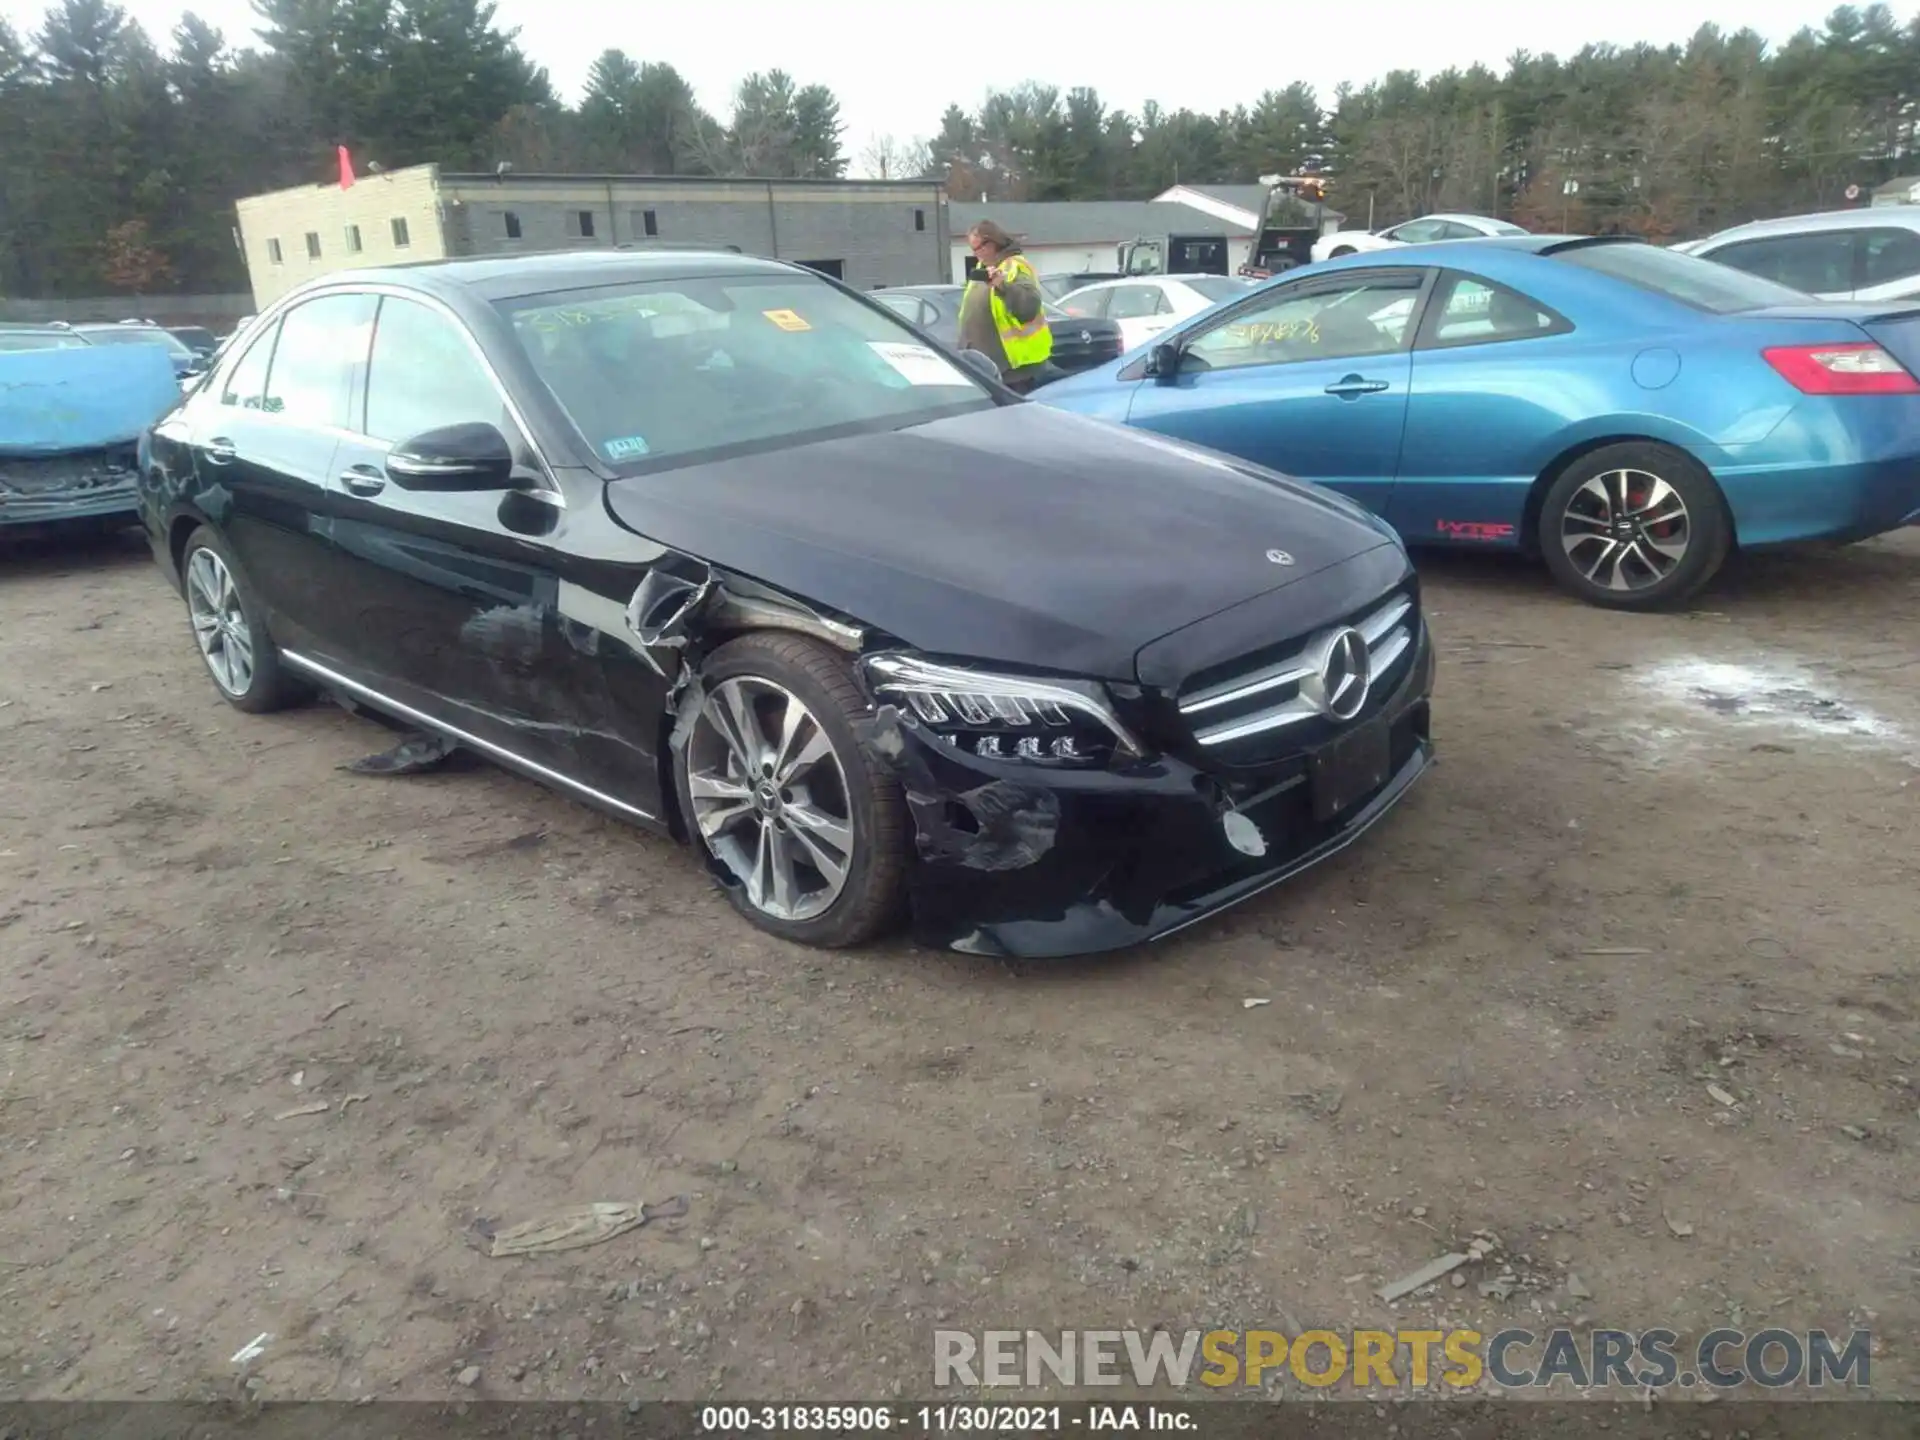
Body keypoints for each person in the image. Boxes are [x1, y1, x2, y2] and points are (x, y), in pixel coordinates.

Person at [957, 220, 1058, 393]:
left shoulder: (1015, 266)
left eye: (978, 248)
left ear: (991, 243)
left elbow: (1028, 307)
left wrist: (1002, 285)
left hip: (1016, 371)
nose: (975, 254)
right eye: (972, 250)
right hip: (987, 369)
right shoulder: (983, 268)